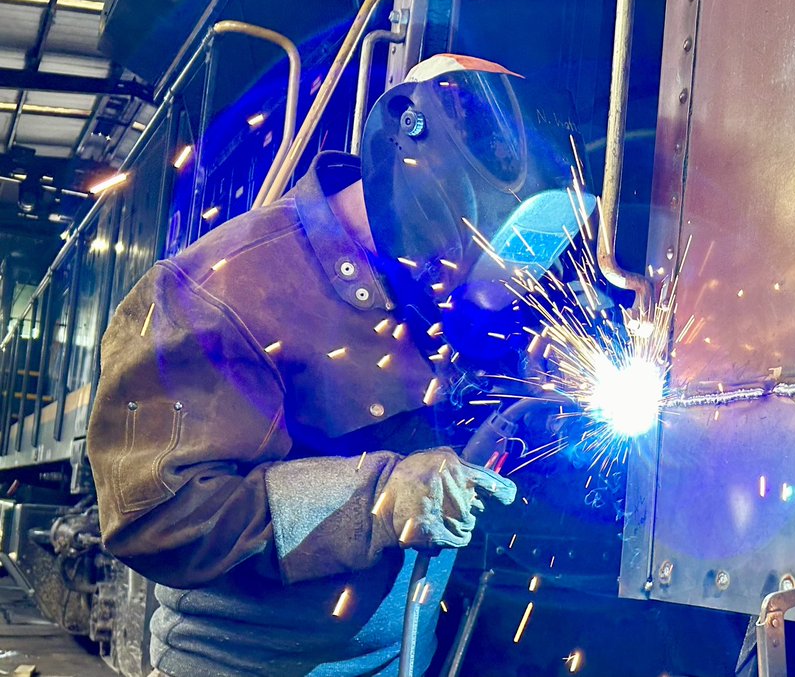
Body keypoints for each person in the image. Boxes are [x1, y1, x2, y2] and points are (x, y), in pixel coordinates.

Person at [86, 53, 580, 677]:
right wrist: (378, 496)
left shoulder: (430, 289)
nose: (461, 289)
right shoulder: (217, 289)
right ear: (409, 158)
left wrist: (524, 422)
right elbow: (156, 515)